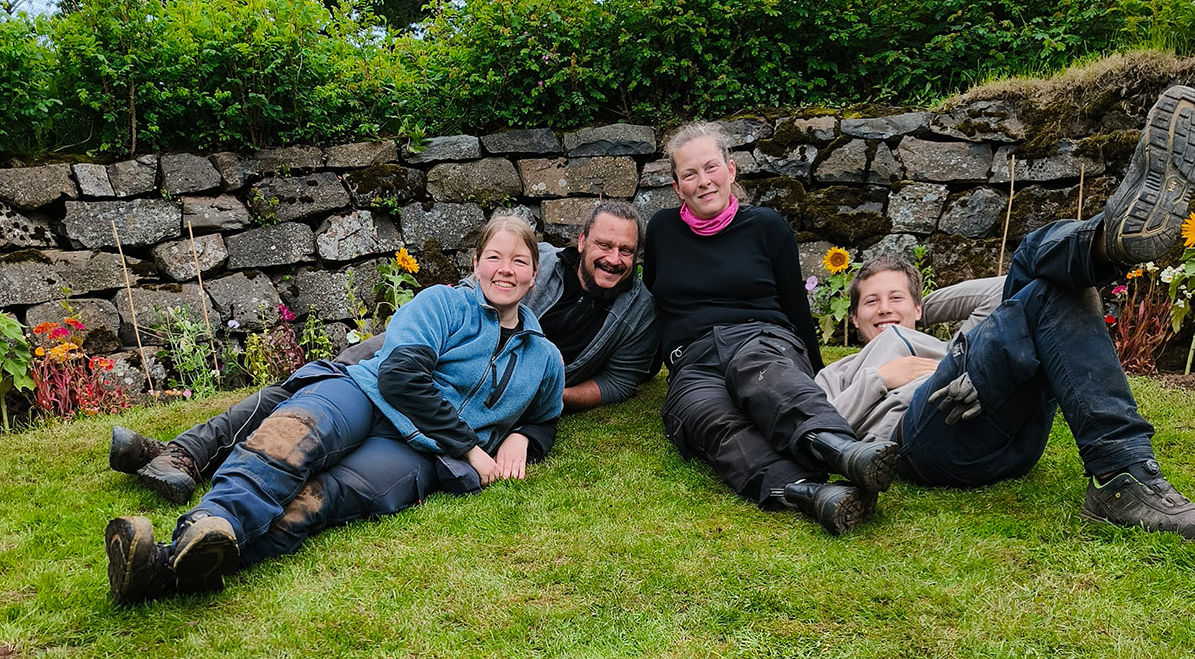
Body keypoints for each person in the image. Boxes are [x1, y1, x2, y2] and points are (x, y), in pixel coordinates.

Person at [105, 214, 566, 605]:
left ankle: (162, 568)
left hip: (421, 452)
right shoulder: (443, 304)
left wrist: (523, 436)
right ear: (476, 264)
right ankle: (213, 520)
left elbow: (545, 416)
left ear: (533, 273)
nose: (505, 270)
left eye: (519, 262)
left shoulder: (544, 358)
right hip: (366, 395)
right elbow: (401, 378)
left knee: (316, 501)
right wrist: (470, 448)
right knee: (288, 439)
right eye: (495, 258)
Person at [819, 84, 1195, 539]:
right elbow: (819, 431)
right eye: (871, 302)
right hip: (929, 440)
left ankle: (1106, 242)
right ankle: (1123, 474)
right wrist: (886, 375)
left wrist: (942, 342)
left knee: (1037, 272)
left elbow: (1004, 288)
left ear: (919, 308)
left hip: (1012, 423)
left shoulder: (956, 335)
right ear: (855, 317)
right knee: (1041, 286)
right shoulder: (841, 370)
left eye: (895, 297)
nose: (884, 309)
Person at [107, 201, 656, 504]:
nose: (613, 257)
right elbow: (484, 291)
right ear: (581, 241)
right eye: (604, 244)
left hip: (496, 383)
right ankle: (184, 453)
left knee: (324, 403)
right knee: (312, 384)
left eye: (625, 251)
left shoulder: (637, 310)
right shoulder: (540, 266)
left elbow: (621, 383)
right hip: (444, 345)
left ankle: (201, 461)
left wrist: (528, 412)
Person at [642, 122, 899, 535]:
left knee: (761, 376)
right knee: (709, 419)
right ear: (677, 187)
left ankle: (845, 452)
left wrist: (813, 374)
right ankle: (813, 495)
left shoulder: (766, 226)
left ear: (731, 170)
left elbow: (796, 306)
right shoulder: (661, 230)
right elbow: (656, 299)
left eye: (710, 168)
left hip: (758, 337)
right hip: (691, 361)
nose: (703, 181)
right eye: (689, 174)